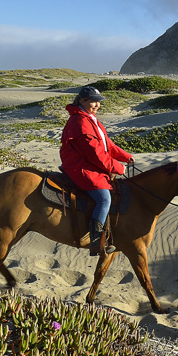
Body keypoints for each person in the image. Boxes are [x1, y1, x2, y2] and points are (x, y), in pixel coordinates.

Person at [60, 85, 134, 256]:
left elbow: (108, 144)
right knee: (103, 199)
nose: (97, 105)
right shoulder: (80, 122)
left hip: (89, 164)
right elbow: (96, 155)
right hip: (80, 166)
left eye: (98, 102)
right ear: (82, 101)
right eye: (93, 102)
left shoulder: (90, 118)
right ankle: (96, 240)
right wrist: (119, 167)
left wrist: (126, 156)